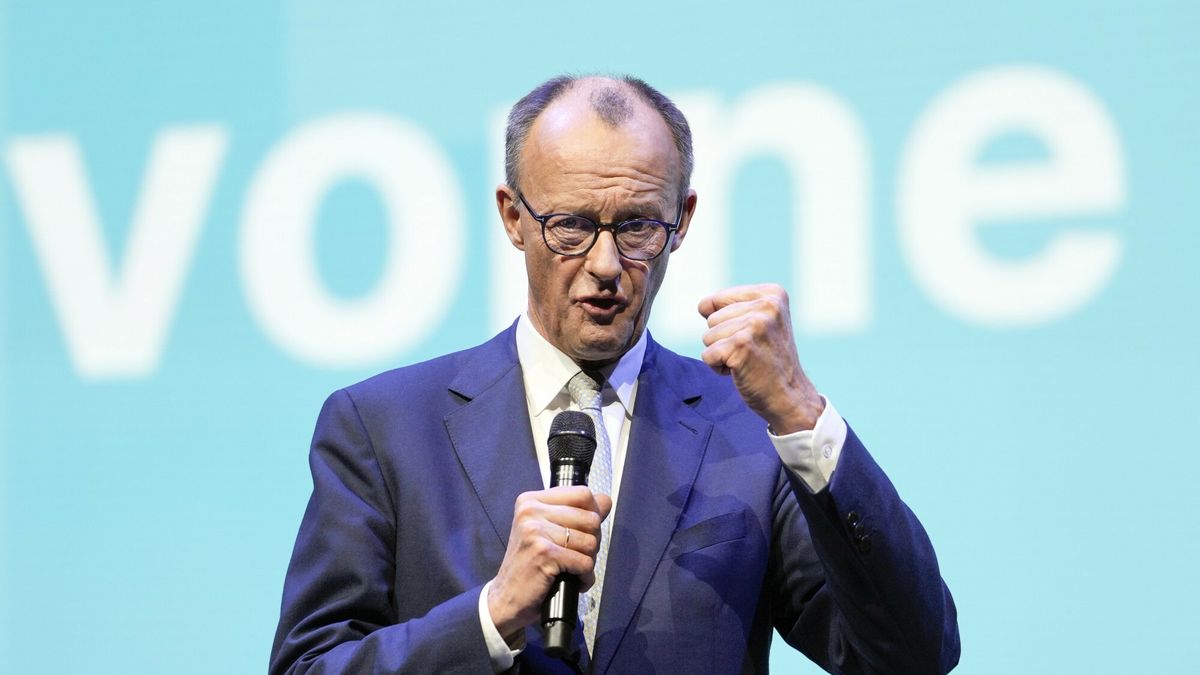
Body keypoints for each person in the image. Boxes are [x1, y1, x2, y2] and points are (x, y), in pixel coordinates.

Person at [270, 74, 960, 674]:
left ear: (682, 220)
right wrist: (490, 614)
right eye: (570, 225)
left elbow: (910, 656)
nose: (605, 264)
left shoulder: (748, 429)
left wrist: (802, 414)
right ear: (514, 216)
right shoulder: (384, 427)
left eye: (636, 226)